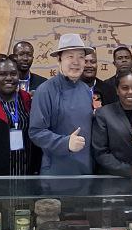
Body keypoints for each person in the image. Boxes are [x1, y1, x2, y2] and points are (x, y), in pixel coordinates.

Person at [29, 34, 96, 175]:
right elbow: (36, 132)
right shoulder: (45, 90)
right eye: (70, 56)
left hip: (85, 169)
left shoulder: (85, 89)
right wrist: (66, 143)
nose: (76, 62)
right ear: (59, 60)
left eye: (81, 57)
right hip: (56, 171)